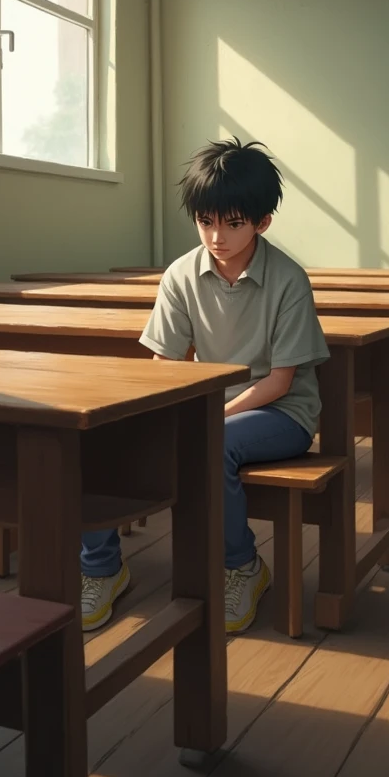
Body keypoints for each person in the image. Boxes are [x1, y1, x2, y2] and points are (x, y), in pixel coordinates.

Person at [80, 137, 329, 633]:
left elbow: (281, 382)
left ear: (262, 222)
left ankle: (243, 566)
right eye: (206, 221)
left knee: (214, 443)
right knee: (100, 432)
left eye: (233, 223)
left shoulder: (288, 280)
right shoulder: (180, 275)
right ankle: (102, 569)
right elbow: (163, 362)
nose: (217, 236)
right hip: (210, 405)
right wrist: (149, 415)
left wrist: (210, 416)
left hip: (282, 414)